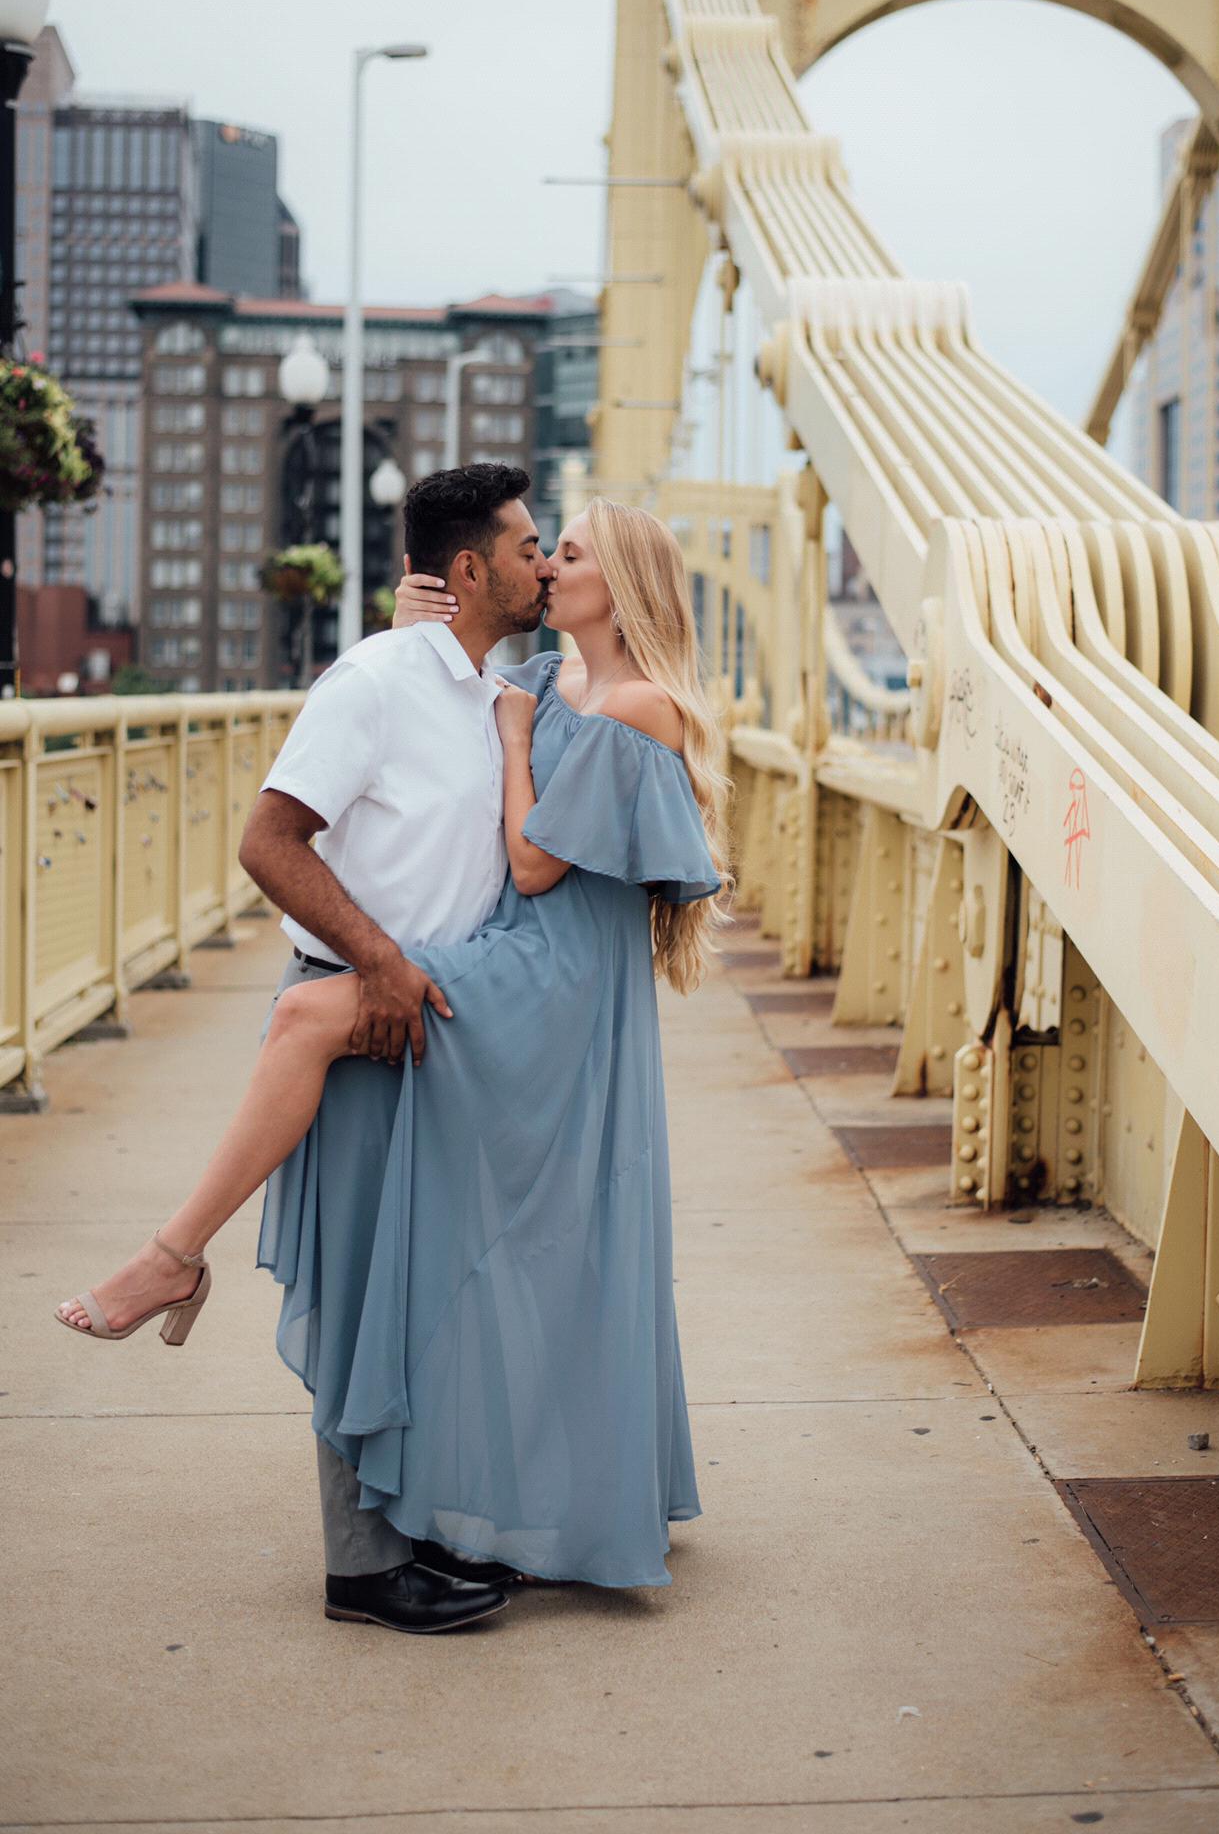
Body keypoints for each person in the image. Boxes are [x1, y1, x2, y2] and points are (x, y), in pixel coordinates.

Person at [56, 463, 728, 1633]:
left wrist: (480, 683)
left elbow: (533, 849)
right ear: (471, 569)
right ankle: (374, 1530)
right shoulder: (460, 678)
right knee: (388, 1243)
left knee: (398, 1192)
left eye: (562, 550)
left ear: (615, 582)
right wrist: (421, 628)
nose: (545, 565)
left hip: (516, 980)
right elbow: (295, 817)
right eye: (533, 548)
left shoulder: (564, 693)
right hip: (449, 970)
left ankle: (185, 1264)